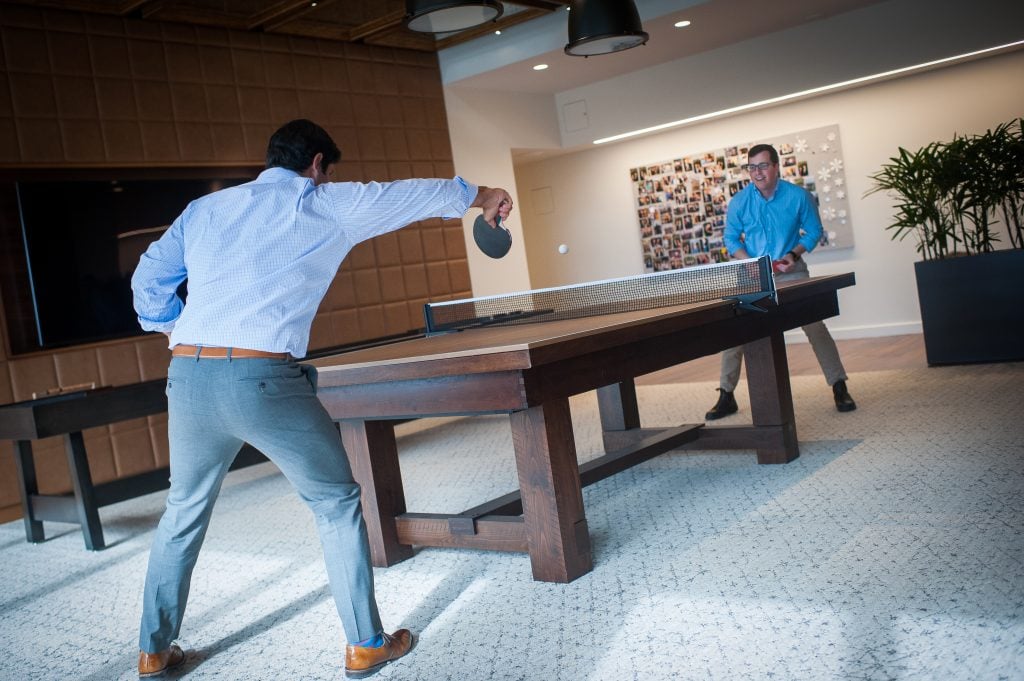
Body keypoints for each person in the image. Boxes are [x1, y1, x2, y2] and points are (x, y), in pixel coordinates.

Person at [131, 119, 513, 679]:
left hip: (187, 376)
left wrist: (175, 331)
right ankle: (366, 644)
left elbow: (148, 279)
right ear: (316, 164)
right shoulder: (324, 202)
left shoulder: (204, 209)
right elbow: (411, 196)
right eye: (325, 170)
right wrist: (482, 196)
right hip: (262, 379)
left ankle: (153, 651)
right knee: (335, 504)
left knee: (182, 511)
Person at [705, 143, 856, 420]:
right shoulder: (740, 201)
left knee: (815, 326)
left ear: (776, 166)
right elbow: (730, 239)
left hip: (791, 270)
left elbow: (813, 231)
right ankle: (726, 395)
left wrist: (792, 254)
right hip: (752, 274)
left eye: (763, 166)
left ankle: (839, 385)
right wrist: (749, 262)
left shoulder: (798, 196)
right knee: (735, 332)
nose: (757, 173)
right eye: (752, 167)